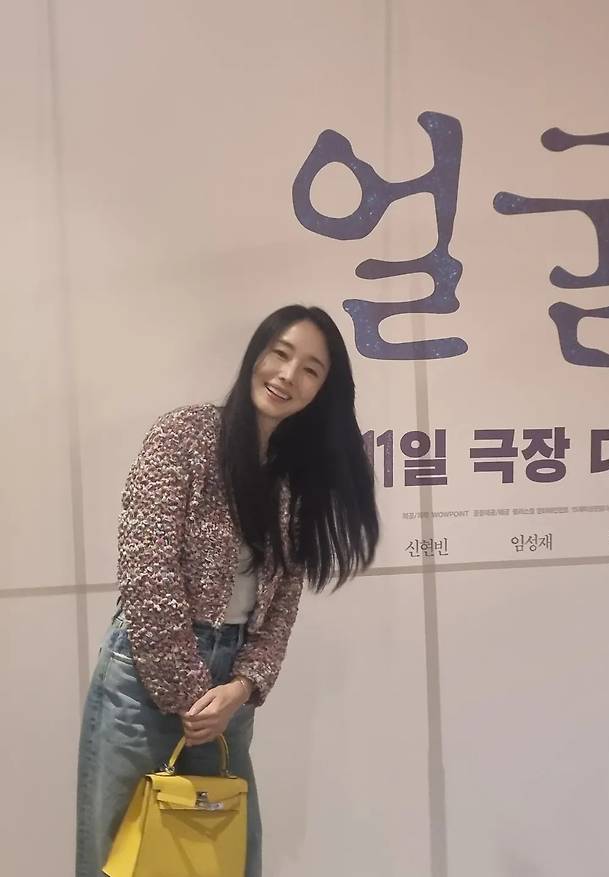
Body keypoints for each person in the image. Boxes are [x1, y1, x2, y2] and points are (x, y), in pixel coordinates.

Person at [75, 304, 380, 877]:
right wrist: (195, 696)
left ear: (323, 391)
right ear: (256, 354)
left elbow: (282, 605)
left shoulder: (296, 475)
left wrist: (240, 688)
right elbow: (147, 572)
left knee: (222, 860)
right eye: (280, 354)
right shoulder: (184, 435)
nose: (288, 376)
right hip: (144, 682)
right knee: (123, 859)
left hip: (229, 690)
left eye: (311, 370)